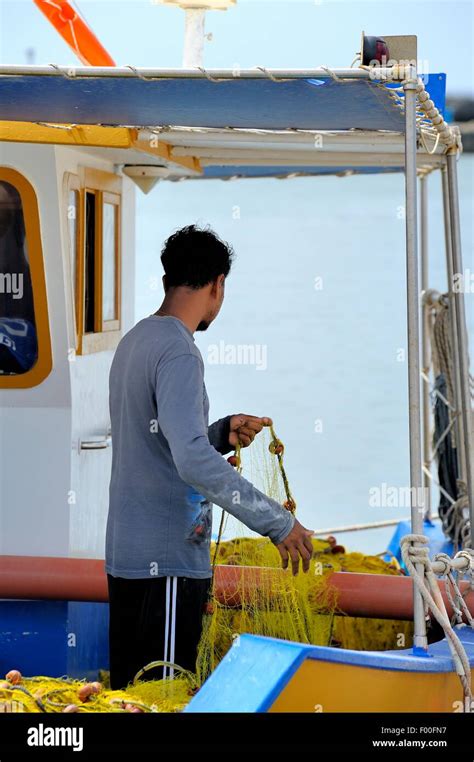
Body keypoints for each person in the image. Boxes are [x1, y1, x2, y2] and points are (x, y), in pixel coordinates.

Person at [105, 224, 313, 689]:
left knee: (130, 695)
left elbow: (157, 441)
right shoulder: (180, 352)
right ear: (217, 284)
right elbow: (192, 461)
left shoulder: (135, 342)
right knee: (165, 692)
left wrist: (219, 432)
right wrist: (278, 522)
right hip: (168, 566)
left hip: (127, 559)